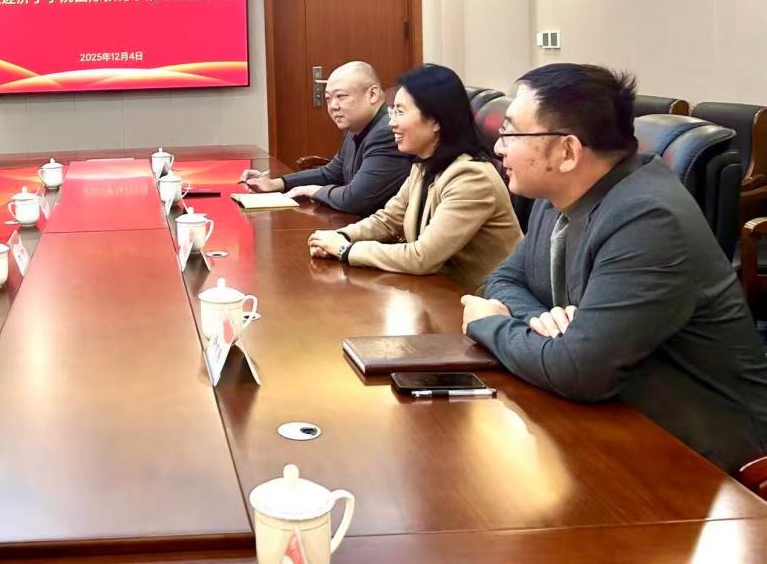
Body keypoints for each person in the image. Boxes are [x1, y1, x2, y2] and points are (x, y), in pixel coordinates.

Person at [461, 63, 767, 473]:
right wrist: (543, 325)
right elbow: (503, 279)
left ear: (568, 152)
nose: (499, 148)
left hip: (709, 457)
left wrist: (489, 324)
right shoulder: (556, 197)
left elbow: (579, 370)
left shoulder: (647, 219)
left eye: (511, 133)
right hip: (616, 418)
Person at [307, 64, 521, 292]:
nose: (392, 123)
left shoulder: (471, 177)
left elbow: (422, 256)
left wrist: (345, 250)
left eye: (400, 112)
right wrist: (340, 236)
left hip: (483, 301)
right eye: (393, 112)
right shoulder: (424, 165)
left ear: (436, 120)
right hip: (436, 291)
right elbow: (388, 219)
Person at [242, 61, 410, 214]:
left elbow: (355, 199)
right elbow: (330, 174)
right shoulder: (355, 127)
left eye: (341, 96)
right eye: (328, 99)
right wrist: (276, 183)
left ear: (372, 94)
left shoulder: (387, 132)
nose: (333, 106)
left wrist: (313, 191)